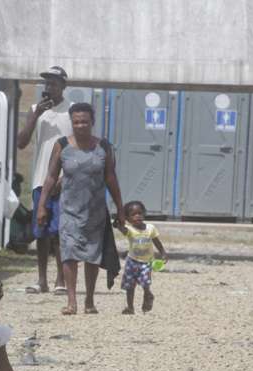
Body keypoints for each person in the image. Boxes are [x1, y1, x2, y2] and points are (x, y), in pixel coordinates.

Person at [37, 102, 126, 315]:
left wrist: (120, 209)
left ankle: (89, 299)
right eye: (76, 122)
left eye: (85, 121)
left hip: (95, 211)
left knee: (92, 255)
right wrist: (42, 205)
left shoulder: (103, 147)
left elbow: (111, 178)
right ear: (71, 123)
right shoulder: (61, 145)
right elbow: (50, 177)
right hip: (68, 210)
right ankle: (71, 301)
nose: (80, 125)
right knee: (69, 253)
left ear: (92, 122)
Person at [16, 66, 71, 295]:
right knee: (41, 231)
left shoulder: (72, 111)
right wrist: (35, 116)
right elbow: (21, 142)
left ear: (63, 87)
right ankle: (41, 280)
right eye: (46, 83)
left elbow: (77, 145)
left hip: (63, 179)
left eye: (54, 83)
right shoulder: (34, 110)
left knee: (59, 232)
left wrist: (66, 175)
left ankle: (60, 280)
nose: (49, 87)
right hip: (40, 177)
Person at [116, 201, 168, 314]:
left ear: (144, 214)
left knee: (145, 283)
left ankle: (148, 296)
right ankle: (130, 307)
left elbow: (156, 242)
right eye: (133, 214)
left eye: (140, 213)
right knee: (130, 286)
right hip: (132, 261)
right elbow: (122, 229)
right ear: (128, 219)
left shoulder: (150, 228)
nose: (137, 216)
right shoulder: (130, 230)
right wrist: (118, 224)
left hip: (146, 262)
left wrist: (163, 253)